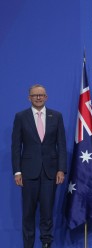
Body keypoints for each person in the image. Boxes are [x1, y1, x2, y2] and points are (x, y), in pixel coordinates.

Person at [11, 84, 67, 248]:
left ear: (46, 97)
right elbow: (16, 146)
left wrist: (61, 169)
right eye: (34, 95)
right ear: (29, 98)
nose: (38, 97)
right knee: (28, 214)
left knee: (47, 212)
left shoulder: (56, 116)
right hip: (28, 173)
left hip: (50, 172)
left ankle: (46, 244)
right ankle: (28, 245)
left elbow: (61, 145)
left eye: (41, 95)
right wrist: (17, 171)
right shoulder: (21, 117)